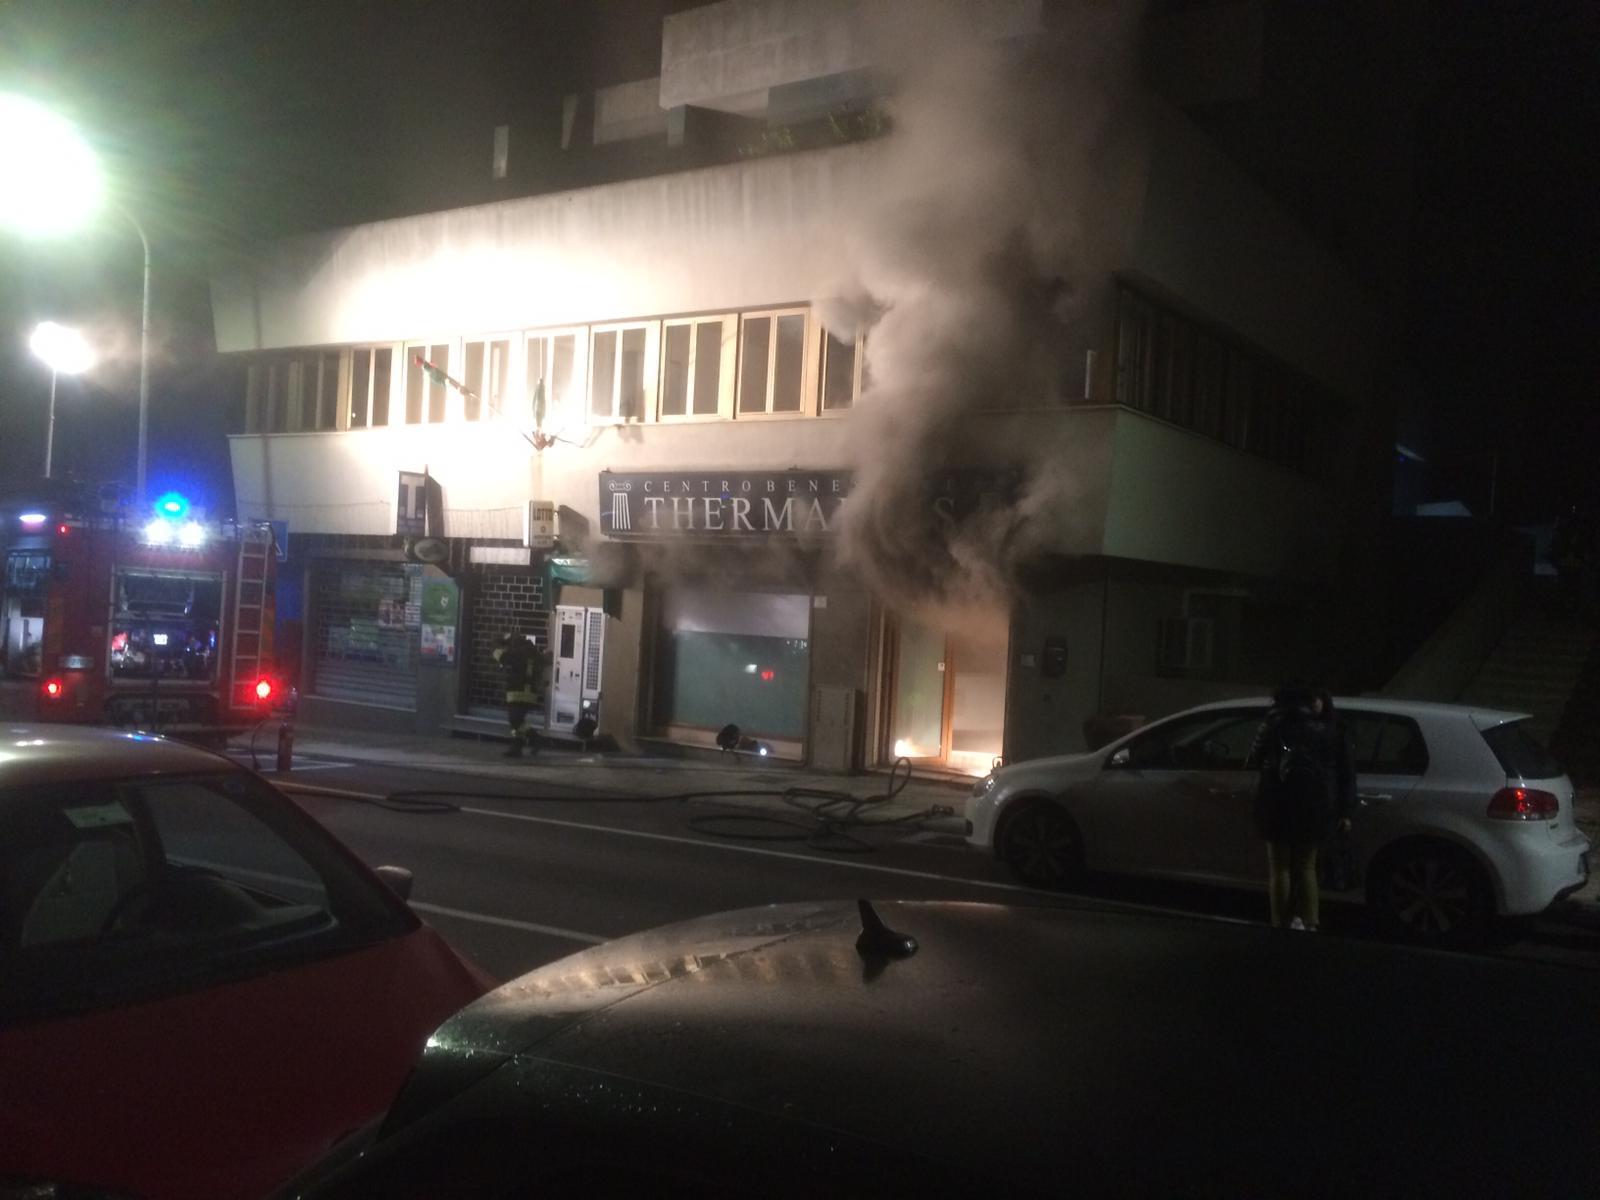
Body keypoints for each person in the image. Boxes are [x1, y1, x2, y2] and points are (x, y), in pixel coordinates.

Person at [1249, 683, 1355, 931]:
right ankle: (1310, 922)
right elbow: (1343, 772)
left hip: (1276, 805)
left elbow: (1254, 759)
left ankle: (1281, 923)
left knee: (1280, 868)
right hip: (1315, 807)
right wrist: (1344, 811)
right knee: (1307, 866)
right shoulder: (1328, 730)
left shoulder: (1272, 726)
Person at [492, 632, 549, 758]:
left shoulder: (516, 652)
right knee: (517, 721)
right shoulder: (534, 652)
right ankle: (516, 747)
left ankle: (536, 738)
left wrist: (499, 644)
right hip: (530, 693)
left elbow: (499, 655)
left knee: (515, 720)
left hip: (517, 691)